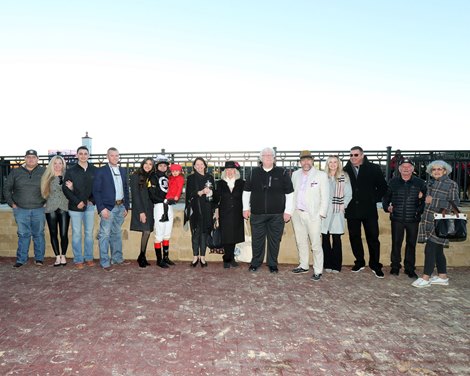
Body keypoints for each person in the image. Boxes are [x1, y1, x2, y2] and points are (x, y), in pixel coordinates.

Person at [242, 147, 294, 273]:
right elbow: (246, 191)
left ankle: (272, 264)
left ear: (274, 158)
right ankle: (255, 263)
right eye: (265, 155)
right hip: (257, 214)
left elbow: (290, 193)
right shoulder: (253, 173)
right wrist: (245, 208)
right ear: (261, 158)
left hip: (277, 214)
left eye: (270, 155)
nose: (268, 157)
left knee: (274, 241)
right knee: (257, 241)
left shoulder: (282, 173)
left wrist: (288, 211)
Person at [413, 160, 460, 288]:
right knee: (438, 250)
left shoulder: (451, 184)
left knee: (430, 249)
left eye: (439, 169)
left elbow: (454, 204)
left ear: (445, 171)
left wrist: (433, 200)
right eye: (434, 170)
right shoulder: (431, 183)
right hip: (428, 220)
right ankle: (443, 276)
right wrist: (423, 197)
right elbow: (427, 201)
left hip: (441, 221)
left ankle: (426, 278)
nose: (437, 171)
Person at [343, 146, 388, 278]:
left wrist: (372, 198)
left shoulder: (373, 168)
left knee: (373, 238)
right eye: (351, 155)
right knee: (354, 237)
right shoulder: (345, 170)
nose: (353, 157)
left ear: (362, 155)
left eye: (356, 155)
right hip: (352, 210)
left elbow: (383, 187)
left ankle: (375, 264)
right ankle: (359, 262)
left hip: (369, 210)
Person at [382, 158, 426, 278]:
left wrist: (419, 209)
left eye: (408, 167)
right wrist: (387, 207)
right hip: (397, 218)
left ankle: (409, 268)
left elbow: (425, 201)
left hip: (413, 219)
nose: (406, 169)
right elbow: (386, 197)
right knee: (396, 243)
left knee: (411, 244)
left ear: (412, 169)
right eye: (403, 167)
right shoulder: (393, 182)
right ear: (399, 169)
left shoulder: (420, 183)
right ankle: (395, 267)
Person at [290, 150, 329, 281]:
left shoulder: (321, 175)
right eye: (303, 160)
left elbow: (325, 196)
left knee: (316, 244)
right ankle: (304, 265)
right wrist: (290, 211)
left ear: (312, 161)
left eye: (308, 160)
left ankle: (318, 270)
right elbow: (292, 194)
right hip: (297, 213)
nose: (306, 162)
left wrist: (321, 214)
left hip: (313, 215)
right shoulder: (295, 175)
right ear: (300, 162)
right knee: (300, 241)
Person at [3, 149, 46, 267]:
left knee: (38, 234)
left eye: (33, 157)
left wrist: (47, 201)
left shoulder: (44, 171)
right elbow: (6, 188)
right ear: (25, 158)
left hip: (39, 208)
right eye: (28, 157)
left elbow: (51, 187)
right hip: (21, 209)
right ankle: (21, 259)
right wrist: (12, 204)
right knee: (23, 234)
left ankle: (39, 259)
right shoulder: (15, 172)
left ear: (37, 159)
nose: (31, 159)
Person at [93, 147, 130, 271]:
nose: (115, 158)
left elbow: (126, 188)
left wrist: (126, 206)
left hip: (120, 207)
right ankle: (104, 262)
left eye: (117, 155)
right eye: (112, 155)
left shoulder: (123, 170)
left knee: (116, 233)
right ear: (107, 156)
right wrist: (101, 208)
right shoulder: (101, 171)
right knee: (104, 234)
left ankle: (117, 258)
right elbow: (96, 191)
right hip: (108, 208)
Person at [63, 146, 98, 269]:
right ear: (77, 155)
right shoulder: (71, 170)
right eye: (81, 153)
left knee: (89, 233)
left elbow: (98, 188)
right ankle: (78, 259)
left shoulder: (94, 170)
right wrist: (77, 201)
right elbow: (65, 189)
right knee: (77, 234)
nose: (83, 156)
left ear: (89, 155)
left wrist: (91, 200)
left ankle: (88, 258)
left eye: (85, 153)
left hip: (89, 207)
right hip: (75, 207)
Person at [320, 155, 352, 274]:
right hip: (325, 211)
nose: (333, 164)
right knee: (325, 238)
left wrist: (343, 205)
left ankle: (336, 265)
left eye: (335, 162)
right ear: (327, 164)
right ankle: (327, 263)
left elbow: (349, 194)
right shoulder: (323, 177)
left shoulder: (344, 176)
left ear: (338, 164)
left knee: (337, 238)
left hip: (338, 211)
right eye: (330, 162)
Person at [184, 157, 216, 267]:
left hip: (207, 208)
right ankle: (195, 257)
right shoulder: (191, 178)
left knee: (204, 233)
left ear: (205, 166)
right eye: (197, 164)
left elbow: (214, 193)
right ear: (194, 166)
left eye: (201, 164)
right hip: (195, 209)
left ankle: (202, 257)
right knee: (195, 234)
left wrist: (211, 194)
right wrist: (201, 192)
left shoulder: (210, 177)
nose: (199, 166)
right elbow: (189, 194)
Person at [40, 155, 70, 267]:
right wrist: (45, 201)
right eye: (55, 163)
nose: (58, 165)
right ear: (52, 164)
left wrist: (71, 188)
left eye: (60, 163)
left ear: (63, 164)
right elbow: (44, 192)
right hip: (51, 207)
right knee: (53, 233)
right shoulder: (47, 176)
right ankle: (57, 256)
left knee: (63, 233)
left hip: (64, 206)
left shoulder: (67, 175)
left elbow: (73, 191)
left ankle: (63, 255)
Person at [215, 161, 245, 269]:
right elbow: (216, 199)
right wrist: (216, 211)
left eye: (231, 169)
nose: (229, 172)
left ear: (235, 171)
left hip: (237, 213)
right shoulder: (220, 183)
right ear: (224, 171)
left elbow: (245, 198)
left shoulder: (241, 183)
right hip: (224, 213)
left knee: (234, 237)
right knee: (226, 237)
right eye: (227, 170)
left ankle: (231, 258)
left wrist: (246, 209)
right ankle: (227, 259)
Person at [148, 155, 177, 268]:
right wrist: (164, 200)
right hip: (160, 206)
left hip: (168, 206)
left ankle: (166, 257)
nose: (163, 167)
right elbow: (152, 195)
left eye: (165, 165)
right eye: (161, 165)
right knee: (159, 235)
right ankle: (159, 260)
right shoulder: (153, 177)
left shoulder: (168, 178)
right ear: (157, 166)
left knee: (167, 234)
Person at [130, 157, 155, 268]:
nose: (148, 166)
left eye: (150, 164)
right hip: (141, 208)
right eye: (146, 163)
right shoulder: (135, 176)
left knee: (148, 231)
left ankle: (142, 256)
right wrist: (141, 212)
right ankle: (141, 256)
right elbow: (135, 195)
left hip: (150, 208)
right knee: (146, 231)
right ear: (142, 164)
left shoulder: (150, 177)